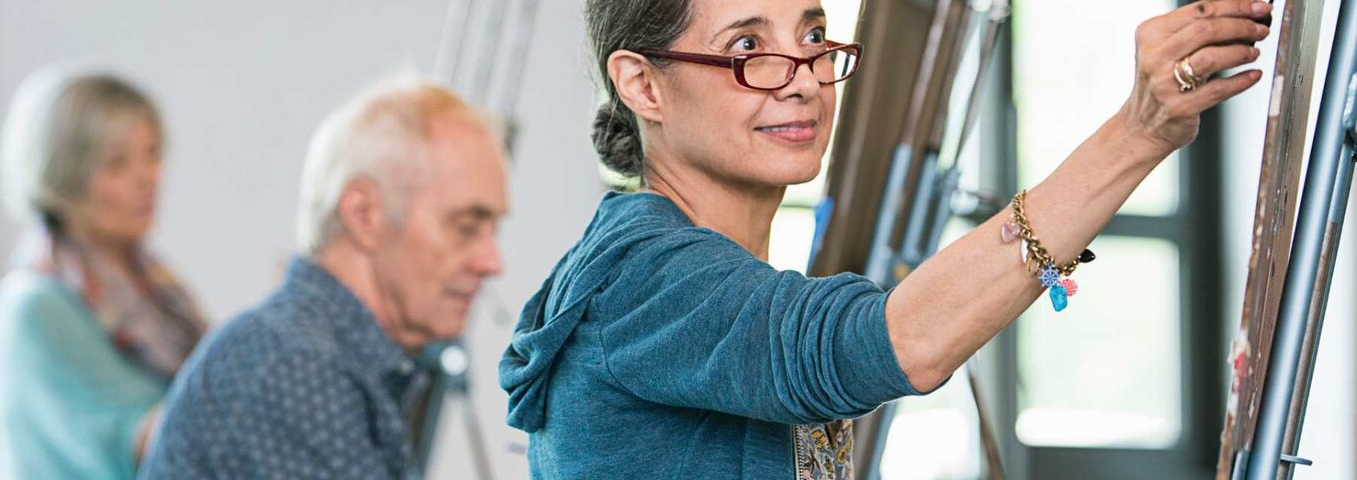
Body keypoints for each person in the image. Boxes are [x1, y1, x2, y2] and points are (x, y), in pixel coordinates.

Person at [499, 0, 1272, 477]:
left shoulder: (705, 270)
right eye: (746, 49)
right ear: (642, 84)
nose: (801, 74)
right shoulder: (642, 274)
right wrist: (1138, 132)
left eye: (813, 33)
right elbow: (884, 343)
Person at [141, 76, 507, 479]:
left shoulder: (320, 357)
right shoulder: (295, 367)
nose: (492, 262)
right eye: (466, 227)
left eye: (494, 230)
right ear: (363, 214)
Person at [0, 69, 207, 479]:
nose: (148, 177)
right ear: (64, 175)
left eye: (153, 153)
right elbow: (144, 436)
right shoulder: (37, 305)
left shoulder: (157, 287)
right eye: (117, 163)